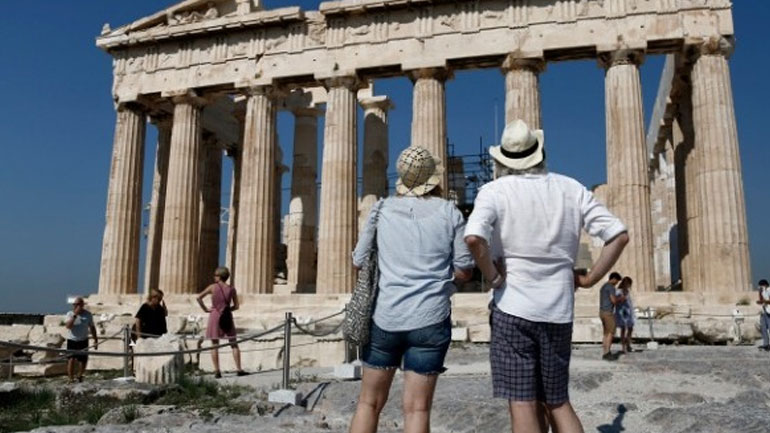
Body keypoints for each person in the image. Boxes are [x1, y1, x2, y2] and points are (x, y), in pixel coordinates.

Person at [464, 119, 629, 433]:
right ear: (539, 152)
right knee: (557, 400)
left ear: (503, 160)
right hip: (558, 309)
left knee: (523, 402)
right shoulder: (571, 188)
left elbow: (473, 239)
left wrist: (494, 278)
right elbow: (619, 235)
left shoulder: (493, 190)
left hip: (512, 307)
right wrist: (591, 278)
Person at [349, 146, 475, 433]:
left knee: (368, 403)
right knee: (417, 409)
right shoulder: (450, 212)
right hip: (430, 317)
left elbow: (358, 262)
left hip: (386, 316)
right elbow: (465, 269)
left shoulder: (380, 209)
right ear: (433, 177)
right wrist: (447, 281)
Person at [197, 266, 246, 378]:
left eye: (215, 275)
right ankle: (239, 369)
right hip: (227, 316)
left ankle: (217, 371)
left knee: (214, 344)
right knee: (233, 343)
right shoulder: (231, 289)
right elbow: (237, 306)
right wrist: (227, 310)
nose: (214, 277)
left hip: (214, 315)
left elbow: (198, 297)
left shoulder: (212, 287)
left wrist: (205, 309)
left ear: (219, 276)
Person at [64, 297, 98, 383]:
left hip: (83, 339)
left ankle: (79, 375)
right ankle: (70, 378)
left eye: (78, 304)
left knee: (83, 360)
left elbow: (92, 327)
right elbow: (68, 326)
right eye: (75, 304)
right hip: (72, 339)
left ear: (82, 305)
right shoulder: (70, 314)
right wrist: (75, 315)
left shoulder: (88, 314)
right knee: (71, 359)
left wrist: (95, 339)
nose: (76, 306)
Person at [599, 272, 623, 360]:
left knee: (605, 333)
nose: (617, 283)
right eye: (617, 281)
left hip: (602, 312)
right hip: (608, 312)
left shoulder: (603, 286)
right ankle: (607, 353)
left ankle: (605, 352)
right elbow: (613, 300)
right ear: (613, 279)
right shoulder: (610, 287)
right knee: (611, 332)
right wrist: (621, 299)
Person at [614, 277, 635, 353]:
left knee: (630, 328)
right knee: (623, 329)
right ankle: (623, 347)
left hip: (628, 311)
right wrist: (622, 299)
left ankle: (628, 344)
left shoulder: (627, 291)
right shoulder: (619, 291)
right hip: (622, 311)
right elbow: (615, 301)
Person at [757, 279, 770, 351]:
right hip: (764, 310)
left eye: (761, 286)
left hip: (769, 311)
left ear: (764, 285)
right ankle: (766, 344)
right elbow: (761, 299)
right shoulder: (763, 291)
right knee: (763, 328)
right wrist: (759, 293)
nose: (760, 287)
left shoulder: (769, 290)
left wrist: (764, 301)